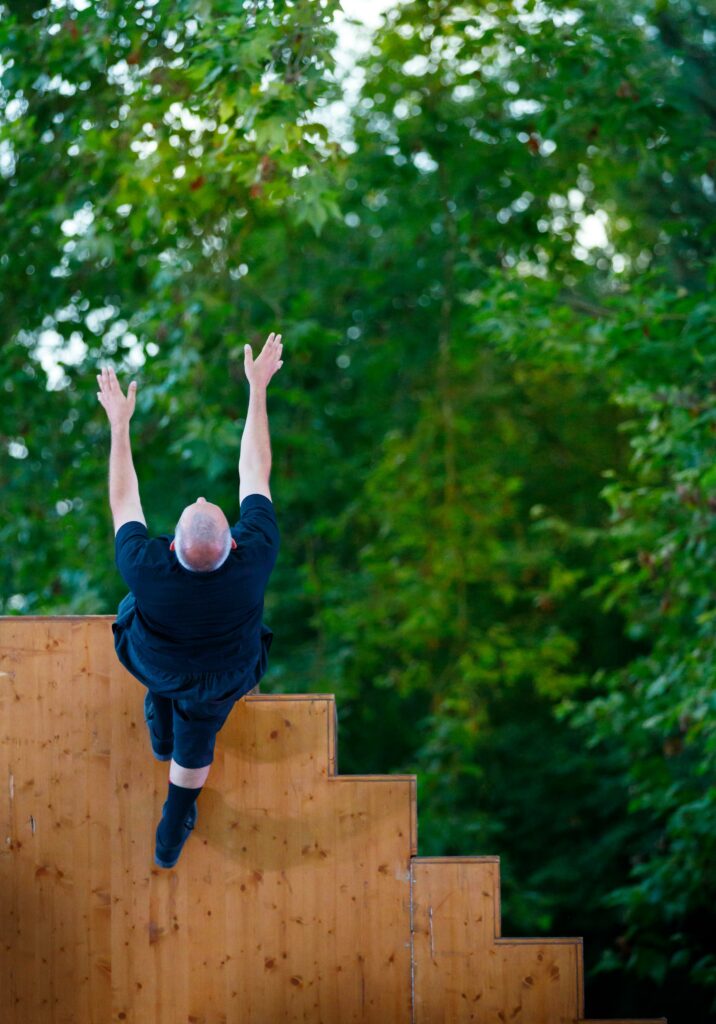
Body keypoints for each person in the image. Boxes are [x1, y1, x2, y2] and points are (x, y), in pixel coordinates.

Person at [96, 332, 284, 869]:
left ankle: (160, 711)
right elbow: (255, 470)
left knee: (131, 612)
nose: (203, 496)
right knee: (198, 730)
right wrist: (257, 388)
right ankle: (173, 824)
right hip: (228, 669)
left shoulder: (146, 566)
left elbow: (123, 498)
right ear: (233, 542)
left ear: (174, 546)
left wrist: (119, 426)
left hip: (160, 661)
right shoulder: (258, 553)